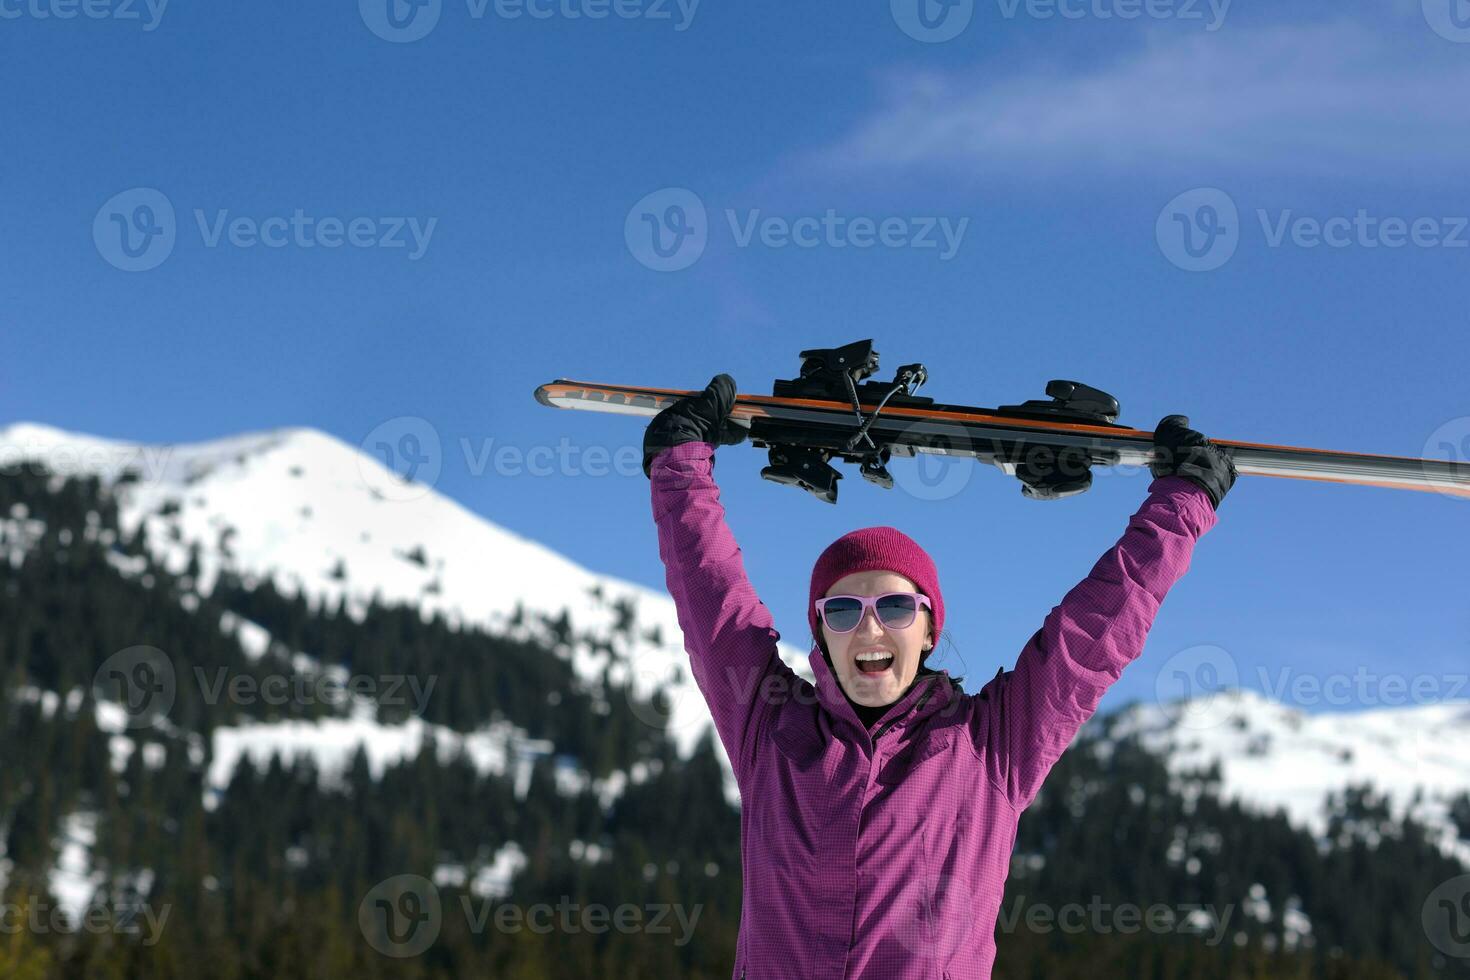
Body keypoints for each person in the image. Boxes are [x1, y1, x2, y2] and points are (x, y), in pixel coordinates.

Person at [645, 374, 1235, 980]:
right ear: (820, 632)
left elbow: (1091, 637)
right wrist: (678, 467)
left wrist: (1181, 505)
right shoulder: (771, 730)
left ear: (929, 629)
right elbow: (712, 603)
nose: (870, 629)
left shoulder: (991, 747)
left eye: (896, 608)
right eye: (843, 611)